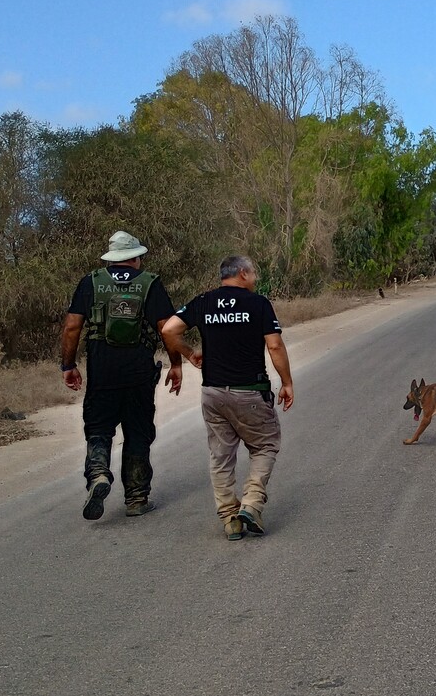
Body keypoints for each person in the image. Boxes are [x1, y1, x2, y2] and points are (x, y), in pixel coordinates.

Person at [161, 255, 294, 540]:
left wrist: (188, 354)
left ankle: (229, 518)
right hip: (250, 392)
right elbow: (274, 345)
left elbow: (169, 329)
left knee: (221, 456)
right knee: (266, 445)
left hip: (213, 393)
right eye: (254, 272)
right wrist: (287, 382)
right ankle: (252, 504)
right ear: (243, 273)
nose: (255, 278)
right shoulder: (258, 304)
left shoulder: (204, 301)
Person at [61, 231, 182, 520]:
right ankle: (137, 499)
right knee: (138, 432)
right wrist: (176, 364)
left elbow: (72, 327)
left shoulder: (91, 282)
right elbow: (168, 328)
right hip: (138, 372)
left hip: (102, 372)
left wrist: (68, 365)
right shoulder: (149, 283)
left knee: (99, 428)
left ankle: (99, 473)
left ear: (113, 258)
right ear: (136, 258)